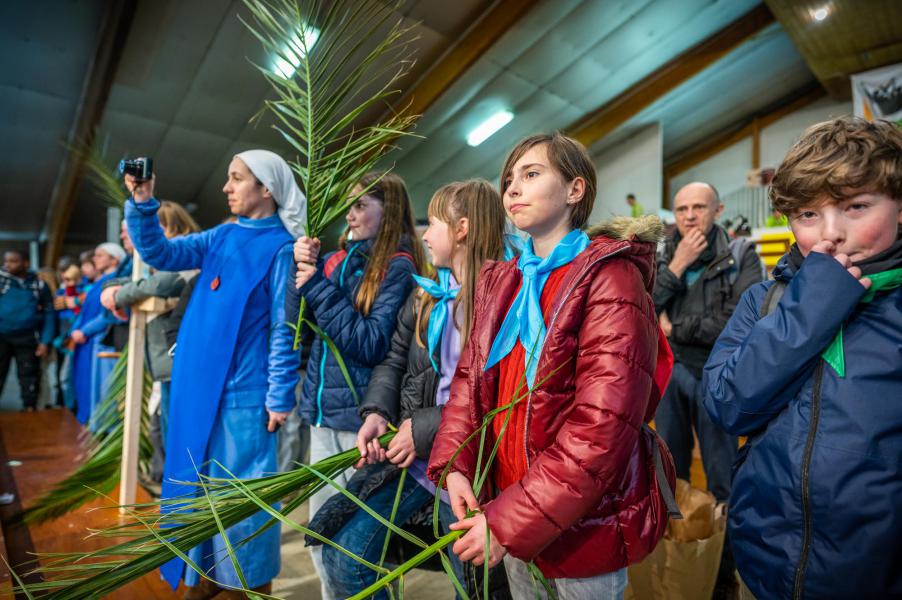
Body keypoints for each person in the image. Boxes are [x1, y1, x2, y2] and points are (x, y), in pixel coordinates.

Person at [427, 133, 675, 600]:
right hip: (510, 511)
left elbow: (602, 429)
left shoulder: (610, 278)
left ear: (575, 190)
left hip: (583, 526)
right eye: (509, 180)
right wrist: (456, 466)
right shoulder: (504, 279)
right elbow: (469, 383)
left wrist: (508, 522)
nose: (513, 189)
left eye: (531, 174)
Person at [703, 116, 902, 599]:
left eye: (856, 206)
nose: (830, 234)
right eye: (808, 216)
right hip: (766, 563)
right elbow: (729, 404)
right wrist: (811, 307)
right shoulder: (766, 301)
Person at [125, 149, 305, 599]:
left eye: (236, 178)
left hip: (244, 399)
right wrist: (144, 201)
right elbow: (159, 252)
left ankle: (249, 587)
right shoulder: (221, 237)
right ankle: (200, 579)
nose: (226, 187)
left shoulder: (283, 248)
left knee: (243, 506)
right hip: (194, 391)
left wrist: (279, 395)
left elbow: (285, 328)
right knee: (192, 490)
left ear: (266, 188)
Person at [318, 180, 508, 599]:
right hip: (420, 466)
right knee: (346, 556)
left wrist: (418, 429)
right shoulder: (428, 295)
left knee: (473, 587)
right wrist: (377, 412)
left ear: (461, 229)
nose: (423, 234)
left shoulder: (498, 302)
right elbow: (394, 360)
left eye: (434, 224)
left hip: (469, 471)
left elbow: (486, 396)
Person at [287, 171, 425, 598]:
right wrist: (303, 272)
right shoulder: (336, 261)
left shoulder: (398, 266)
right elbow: (301, 328)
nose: (350, 213)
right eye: (349, 204)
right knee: (320, 534)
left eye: (361, 204)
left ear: (391, 211)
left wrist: (317, 287)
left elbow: (368, 344)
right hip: (323, 414)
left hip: (361, 422)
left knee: (357, 548)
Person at [652, 182, 763, 503]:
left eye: (698, 207)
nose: (689, 216)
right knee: (670, 469)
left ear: (718, 211)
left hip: (718, 374)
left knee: (722, 472)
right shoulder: (662, 256)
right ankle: (675, 545)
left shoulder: (742, 256)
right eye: (682, 209)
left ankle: (724, 550)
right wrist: (678, 265)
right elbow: (642, 310)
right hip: (670, 372)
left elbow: (738, 324)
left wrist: (675, 330)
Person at [101, 200, 201, 483]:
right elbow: (144, 283)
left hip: (175, 357)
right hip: (165, 359)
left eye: (154, 228)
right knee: (164, 426)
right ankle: (173, 489)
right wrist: (114, 288)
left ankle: (180, 494)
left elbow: (162, 284)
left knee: (175, 431)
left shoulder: (186, 251)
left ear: (170, 227)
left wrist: (119, 295)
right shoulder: (168, 256)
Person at [68, 242, 126, 424]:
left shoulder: (115, 281)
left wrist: (84, 330)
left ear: (115, 259)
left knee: (100, 388)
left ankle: (99, 427)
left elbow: (107, 315)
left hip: (100, 339)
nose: (95, 259)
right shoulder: (99, 283)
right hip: (87, 340)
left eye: (100, 255)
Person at [0, 249, 55, 411]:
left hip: (27, 337)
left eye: (13, 261)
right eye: (6, 261)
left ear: (25, 263)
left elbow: (49, 314)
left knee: (29, 376)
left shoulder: (38, 285)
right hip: (1, 336)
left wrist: (45, 341)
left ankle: (29, 410)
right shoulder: (2, 281)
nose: (7, 265)